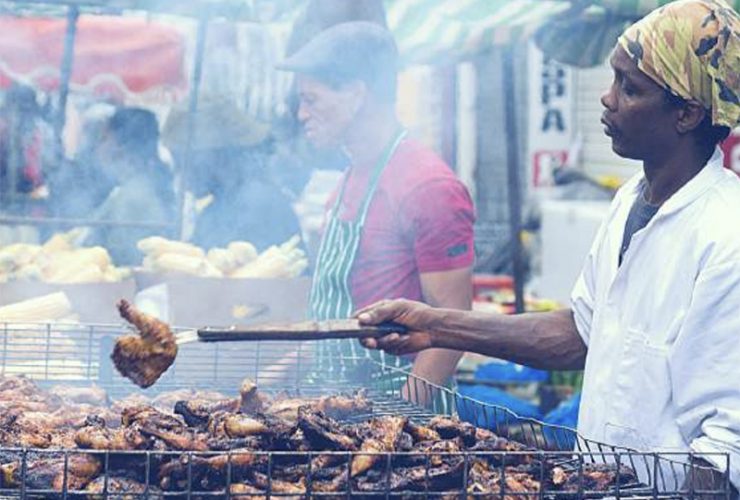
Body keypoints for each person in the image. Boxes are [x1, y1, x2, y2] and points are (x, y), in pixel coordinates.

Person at [358, 0, 740, 492]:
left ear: (686, 113)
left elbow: (724, 455)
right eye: (612, 80)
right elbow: (579, 335)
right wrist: (436, 326)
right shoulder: (630, 201)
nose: (607, 99)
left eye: (631, 88)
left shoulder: (725, 237)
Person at [277, 22, 476, 388]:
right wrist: (269, 379)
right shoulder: (348, 180)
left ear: (355, 94)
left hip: (398, 420)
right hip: (338, 406)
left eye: (311, 99)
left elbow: (453, 328)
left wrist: (400, 422)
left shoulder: (429, 187)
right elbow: (338, 319)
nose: (301, 114)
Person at [163, 98, 303, 251]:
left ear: (218, 157)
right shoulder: (215, 209)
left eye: (183, 162)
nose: (179, 173)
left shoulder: (256, 202)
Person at [84, 107, 176, 265]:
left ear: (121, 147)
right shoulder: (138, 186)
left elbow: (128, 257)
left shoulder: (134, 197)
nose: (98, 147)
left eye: (104, 139)